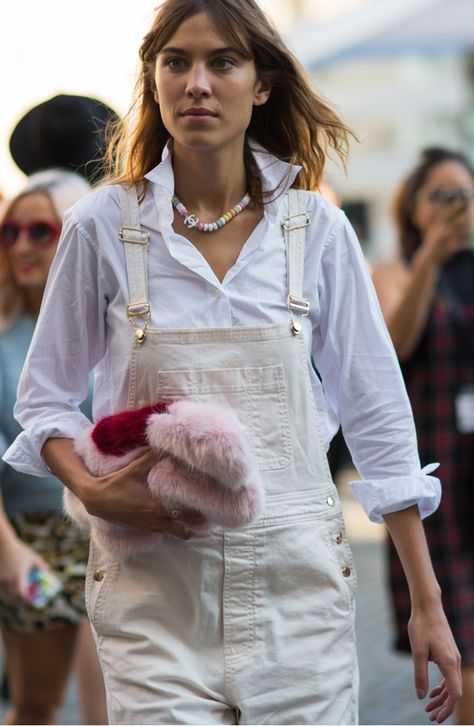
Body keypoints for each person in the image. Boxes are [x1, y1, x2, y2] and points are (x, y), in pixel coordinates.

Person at [3, 2, 462, 723]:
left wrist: (429, 606)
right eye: (176, 62)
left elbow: (380, 422)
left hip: (298, 592)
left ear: (262, 85)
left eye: (223, 62)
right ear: (152, 81)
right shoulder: (102, 225)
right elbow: (45, 400)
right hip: (155, 590)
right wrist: (89, 490)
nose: (197, 83)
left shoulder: (317, 230)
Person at [0, 170, 107, 725]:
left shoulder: (115, 323)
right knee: (37, 705)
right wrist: (10, 552)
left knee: (115, 707)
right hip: (33, 546)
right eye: (10, 231)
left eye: (40, 230)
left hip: (113, 538)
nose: (21, 244)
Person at [372, 146, 474, 725]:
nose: (455, 207)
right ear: (413, 209)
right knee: (464, 631)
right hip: (438, 476)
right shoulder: (393, 273)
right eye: (442, 196)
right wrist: (432, 257)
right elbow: (394, 348)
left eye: (464, 195)